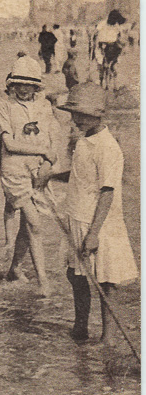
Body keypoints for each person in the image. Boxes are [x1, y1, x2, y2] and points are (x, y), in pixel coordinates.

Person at [55, 83, 138, 345]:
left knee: (105, 280)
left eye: (80, 115)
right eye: (73, 113)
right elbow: (79, 176)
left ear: (97, 115)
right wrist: (51, 175)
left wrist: (93, 234)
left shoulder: (108, 147)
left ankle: (108, 337)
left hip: (100, 223)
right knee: (75, 274)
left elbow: (107, 192)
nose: (75, 119)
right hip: (78, 216)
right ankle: (81, 327)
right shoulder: (85, 140)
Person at [0, 56, 59, 295]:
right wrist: (42, 150)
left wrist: (48, 164)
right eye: (18, 84)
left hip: (37, 170)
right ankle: (43, 280)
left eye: (28, 85)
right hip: (13, 171)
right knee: (34, 223)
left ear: (36, 86)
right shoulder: (4, 106)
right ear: (11, 85)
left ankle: (15, 268)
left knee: (27, 226)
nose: (23, 89)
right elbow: (9, 144)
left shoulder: (45, 107)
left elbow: (53, 140)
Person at [95, 9, 127, 92]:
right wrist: (97, 44)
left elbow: (120, 35)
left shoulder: (116, 25)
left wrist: (121, 44)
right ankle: (103, 84)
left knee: (112, 66)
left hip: (114, 46)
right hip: (103, 46)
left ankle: (113, 85)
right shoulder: (102, 23)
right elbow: (95, 33)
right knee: (103, 66)